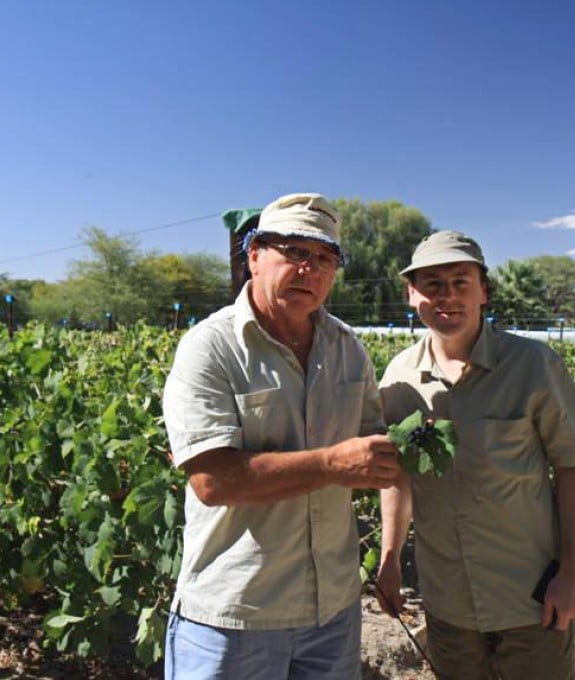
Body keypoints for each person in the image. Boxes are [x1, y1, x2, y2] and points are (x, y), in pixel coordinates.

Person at [161, 192, 400, 679]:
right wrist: (333, 464)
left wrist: (408, 446)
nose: (309, 269)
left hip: (332, 609)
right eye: (294, 251)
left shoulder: (348, 349)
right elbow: (213, 481)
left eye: (325, 259)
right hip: (237, 613)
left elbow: (371, 449)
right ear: (254, 255)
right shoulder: (212, 347)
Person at [375, 230, 575, 680]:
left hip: (530, 598)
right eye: (432, 284)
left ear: (484, 291)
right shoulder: (399, 378)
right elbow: (399, 476)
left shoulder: (533, 365)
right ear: (411, 294)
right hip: (447, 600)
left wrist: (574, 575)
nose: (447, 296)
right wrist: (389, 559)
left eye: (461, 282)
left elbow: (572, 469)